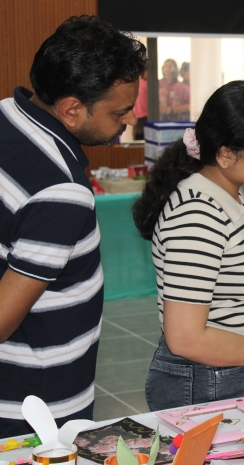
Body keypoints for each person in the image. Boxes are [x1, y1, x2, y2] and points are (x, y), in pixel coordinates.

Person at [0, 15, 147, 436]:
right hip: (33, 409)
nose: (129, 121)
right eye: (119, 111)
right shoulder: (61, 189)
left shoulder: (8, 113)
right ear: (71, 109)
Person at [132, 81, 244, 411]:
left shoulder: (227, 197)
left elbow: (228, 292)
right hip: (203, 378)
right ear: (225, 154)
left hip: (224, 370)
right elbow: (186, 337)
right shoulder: (198, 212)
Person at [133, 69, 148, 140]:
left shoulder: (136, 84)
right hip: (144, 116)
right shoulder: (146, 84)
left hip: (137, 116)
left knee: (137, 138)